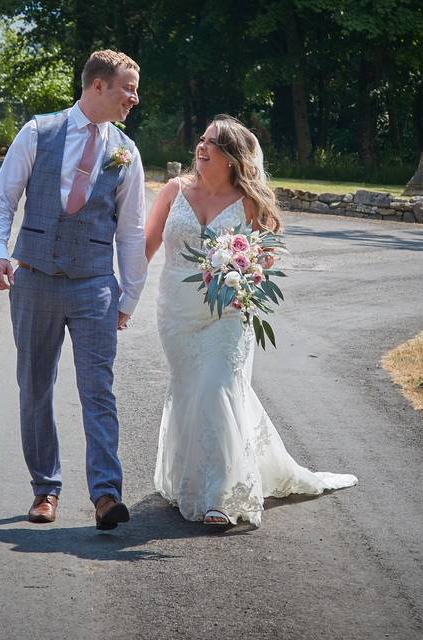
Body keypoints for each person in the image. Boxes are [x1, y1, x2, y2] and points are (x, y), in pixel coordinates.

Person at [144, 115, 357, 527]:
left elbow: (266, 258)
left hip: (228, 315)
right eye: (202, 140)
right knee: (191, 392)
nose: (201, 147)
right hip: (176, 314)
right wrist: (122, 298)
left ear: (232, 158)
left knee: (215, 388)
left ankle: (220, 497)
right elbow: (146, 247)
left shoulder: (249, 202)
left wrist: (242, 273)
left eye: (214, 143)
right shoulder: (174, 192)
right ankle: (193, 479)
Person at [0, 50, 147, 530]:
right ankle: (45, 489)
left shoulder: (126, 152)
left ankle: (105, 495)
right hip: (33, 278)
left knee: (99, 390)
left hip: (95, 285)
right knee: (35, 385)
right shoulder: (38, 132)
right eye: (128, 88)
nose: (134, 99)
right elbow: (2, 198)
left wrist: (129, 296)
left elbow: (132, 232)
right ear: (99, 86)